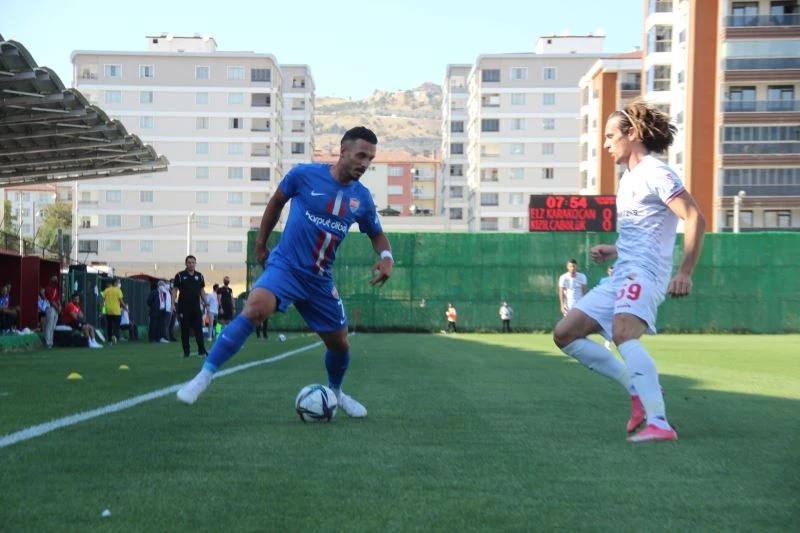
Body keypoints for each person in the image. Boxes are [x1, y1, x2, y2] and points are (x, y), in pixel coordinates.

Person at [177, 126, 393, 416]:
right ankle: (203, 376)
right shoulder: (304, 175)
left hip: (320, 280)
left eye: (370, 159)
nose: (365, 164)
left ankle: (337, 393)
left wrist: (387, 256)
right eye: (361, 155)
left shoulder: (362, 199)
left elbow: (376, 234)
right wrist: (262, 244)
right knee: (254, 309)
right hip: (287, 267)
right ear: (343, 151)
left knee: (340, 345)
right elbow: (277, 201)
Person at [552, 99, 706, 443]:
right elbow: (650, 232)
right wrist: (615, 249)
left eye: (610, 136)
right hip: (623, 270)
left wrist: (685, 271)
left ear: (632, 134)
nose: (605, 144)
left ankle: (660, 423)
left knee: (624, 334)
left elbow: (695, 217)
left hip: (645, 274)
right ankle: (637, 389)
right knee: (565, 333)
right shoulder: (630, 179)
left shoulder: (657, 172)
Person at [171, 255, 208, 358]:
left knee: (198, 329)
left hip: (196, 307)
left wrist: (206, 301)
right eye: (189, 262)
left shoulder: (199, 276)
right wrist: (172, 304)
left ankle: (202, 350)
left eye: (193, 262)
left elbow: (202, 290)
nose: (191, 264)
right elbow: (175, 290)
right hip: (183, 307)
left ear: (195, 263)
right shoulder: (179, 275)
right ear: (186, 264)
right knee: (185, 330)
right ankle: (186, 352)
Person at [101, 278, 126, 343]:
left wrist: (101, 310)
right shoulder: (118, 290)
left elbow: (102, 301)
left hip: (108, 310)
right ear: (115, 283)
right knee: (117, 325)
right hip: (116, 311)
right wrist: (125, 308)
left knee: (109, 325)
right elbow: (121, 301)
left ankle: (109, 340)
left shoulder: (106, 290)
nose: (119, 284)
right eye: (119, 282)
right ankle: (114, 335)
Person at [44, 275, 61, 348]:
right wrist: (58, 307)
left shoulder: (55, 289)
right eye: (54, 278)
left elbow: (57, 299)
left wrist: (60, 306)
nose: (56, 279)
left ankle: (51, 342)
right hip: (50, 308)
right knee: (49, 325)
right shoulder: (48, 288)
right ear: (50, 279)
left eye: (56, 278)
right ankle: (48, 342)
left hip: (56, 309)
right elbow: (51, 300)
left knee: (53, 326)